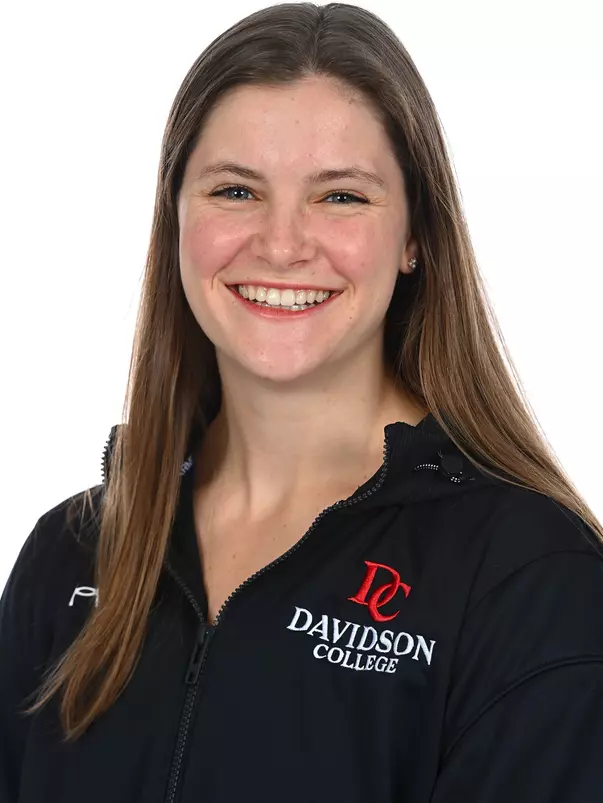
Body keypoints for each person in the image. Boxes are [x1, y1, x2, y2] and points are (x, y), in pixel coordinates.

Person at [1, 3, 603, 801]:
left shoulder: (526, 578)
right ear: (175, 219)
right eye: (235, 189)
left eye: (341, 197)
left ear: (416, 236)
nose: (282, 243)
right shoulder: (71, 555)